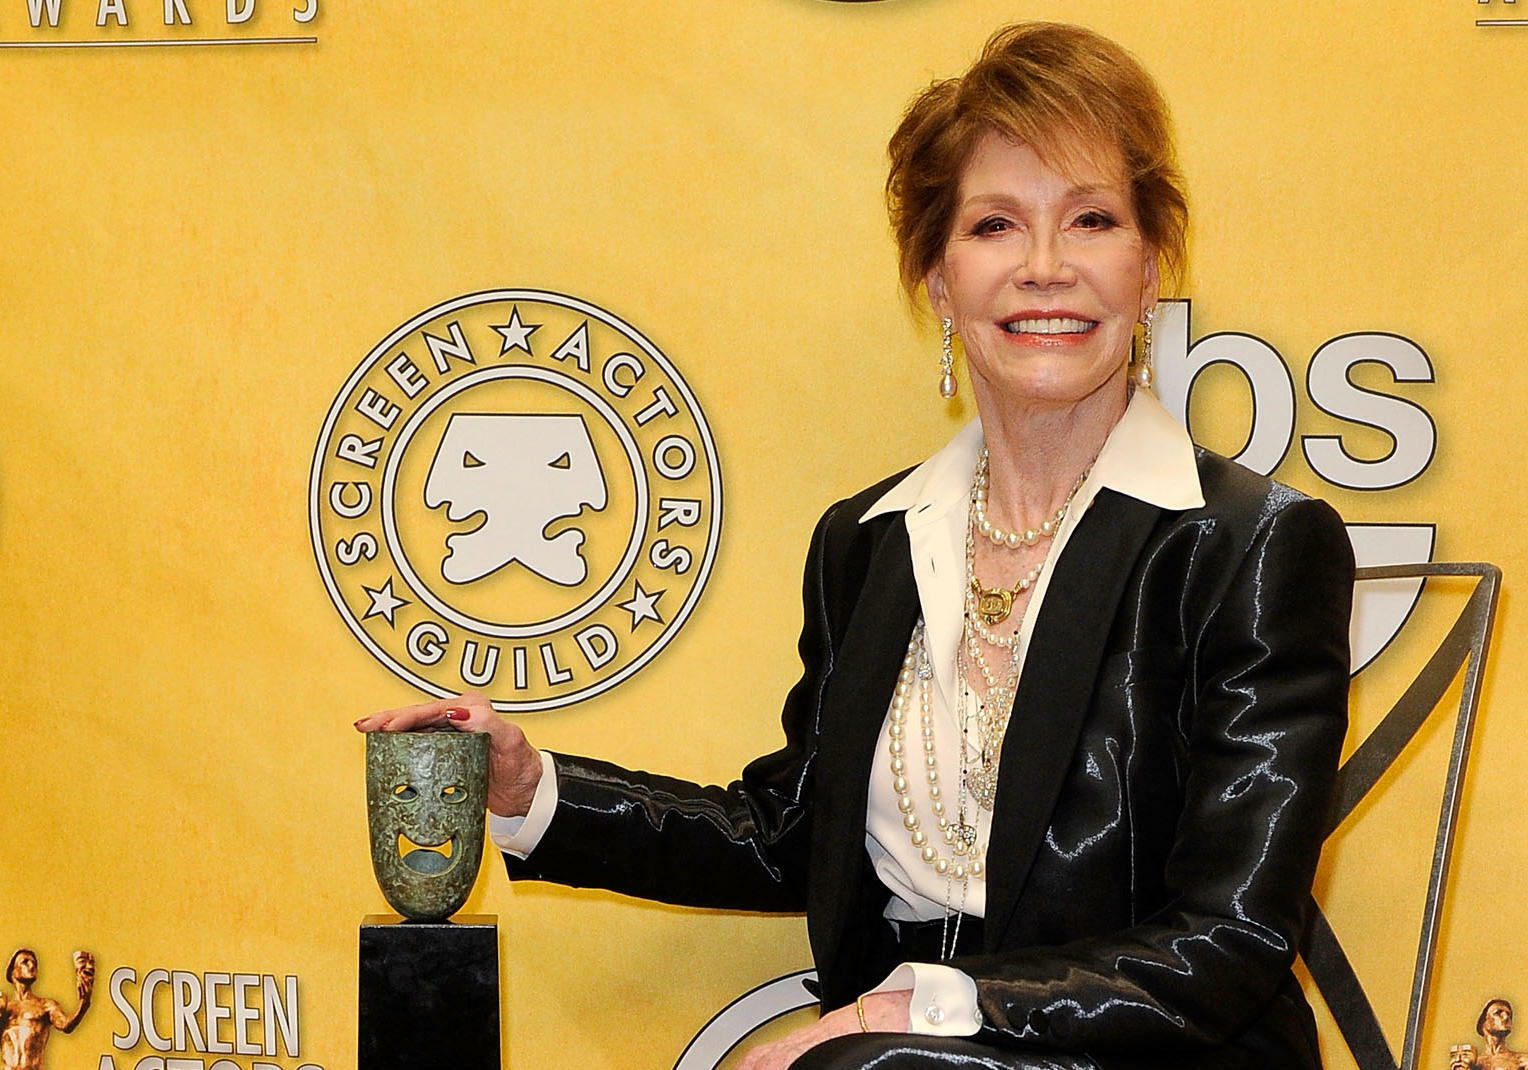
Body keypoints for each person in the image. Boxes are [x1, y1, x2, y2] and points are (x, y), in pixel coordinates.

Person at [358, 22, 1353, 1070]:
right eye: (994, 225)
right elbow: (793, 826)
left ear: (1149, 266)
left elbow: (1230, 936)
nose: (1046, 268)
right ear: (935, 279)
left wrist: (909, 1012)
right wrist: (533, 790)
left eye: (1091, 219)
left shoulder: (1250, 546)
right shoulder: (868, 542)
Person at [1, 949, 94, 1070]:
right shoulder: (6, 1006)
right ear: (13, 972)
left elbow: (66, 1025)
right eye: (25, 962)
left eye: (34, 963)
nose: (32, 965)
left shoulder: (45, 1005)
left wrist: (84, 1003)